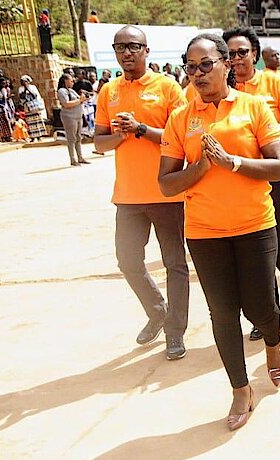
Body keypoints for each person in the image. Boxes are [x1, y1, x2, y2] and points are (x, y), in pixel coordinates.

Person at [159, 33, 280, 432]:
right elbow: (166, 183)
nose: (198, 73)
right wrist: (200, 167)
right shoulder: (181, 118)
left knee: (261, 307)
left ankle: (273, 341)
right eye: (191, 67)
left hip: (255, 225)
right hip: (205, 231)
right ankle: (240, 388)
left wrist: (233, 162)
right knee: (223, 312)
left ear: (226, 64)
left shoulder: (254, 106)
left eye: (206, 64)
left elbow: (279, 166)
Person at [94, 25, 189, 359]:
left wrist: (141, 129)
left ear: (146, 51)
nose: (127, 53)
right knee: (128, 261)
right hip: (128, 197)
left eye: (133, 46)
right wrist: (121, 135)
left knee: (175, 264)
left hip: (166, 192)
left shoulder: (167, 87)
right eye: (120, 47)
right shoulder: (108, 91)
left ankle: (175, 332)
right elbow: (99, 142)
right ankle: (157, 310)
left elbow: (180, 137)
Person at [222, 27, 280, 333]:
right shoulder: (221, 90)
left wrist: (261, 129)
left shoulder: (274, 82)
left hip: (279, 175)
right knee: (256, 249)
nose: (236, 59)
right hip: (242, 179)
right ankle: (266, 313)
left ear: (255, 54)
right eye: (230, 54)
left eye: (242, 52)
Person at [57, 74, 87, 166]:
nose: (73, 82)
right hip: (69, 117)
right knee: (71, 138)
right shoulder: (62, 91)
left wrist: (83, 99)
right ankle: (73, 159)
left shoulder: (71, 90)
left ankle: (80, 157)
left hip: (78, 116)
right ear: (65, 81)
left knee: (78, 137)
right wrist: (79, 100)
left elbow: (78, 100)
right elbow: (66, 104)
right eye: (71, 81)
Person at [18, 75, 47, 141]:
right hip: (27, 107)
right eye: (22, 81)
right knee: (30, 121)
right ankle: (33, 137)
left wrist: (28, 89)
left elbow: (35, 95)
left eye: (25, 81)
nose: (23, 83)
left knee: (37, 120)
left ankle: (39, 136)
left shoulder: (33, 87)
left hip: (34, 106)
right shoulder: (20, 88)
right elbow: (22, 96)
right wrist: (25, 89)